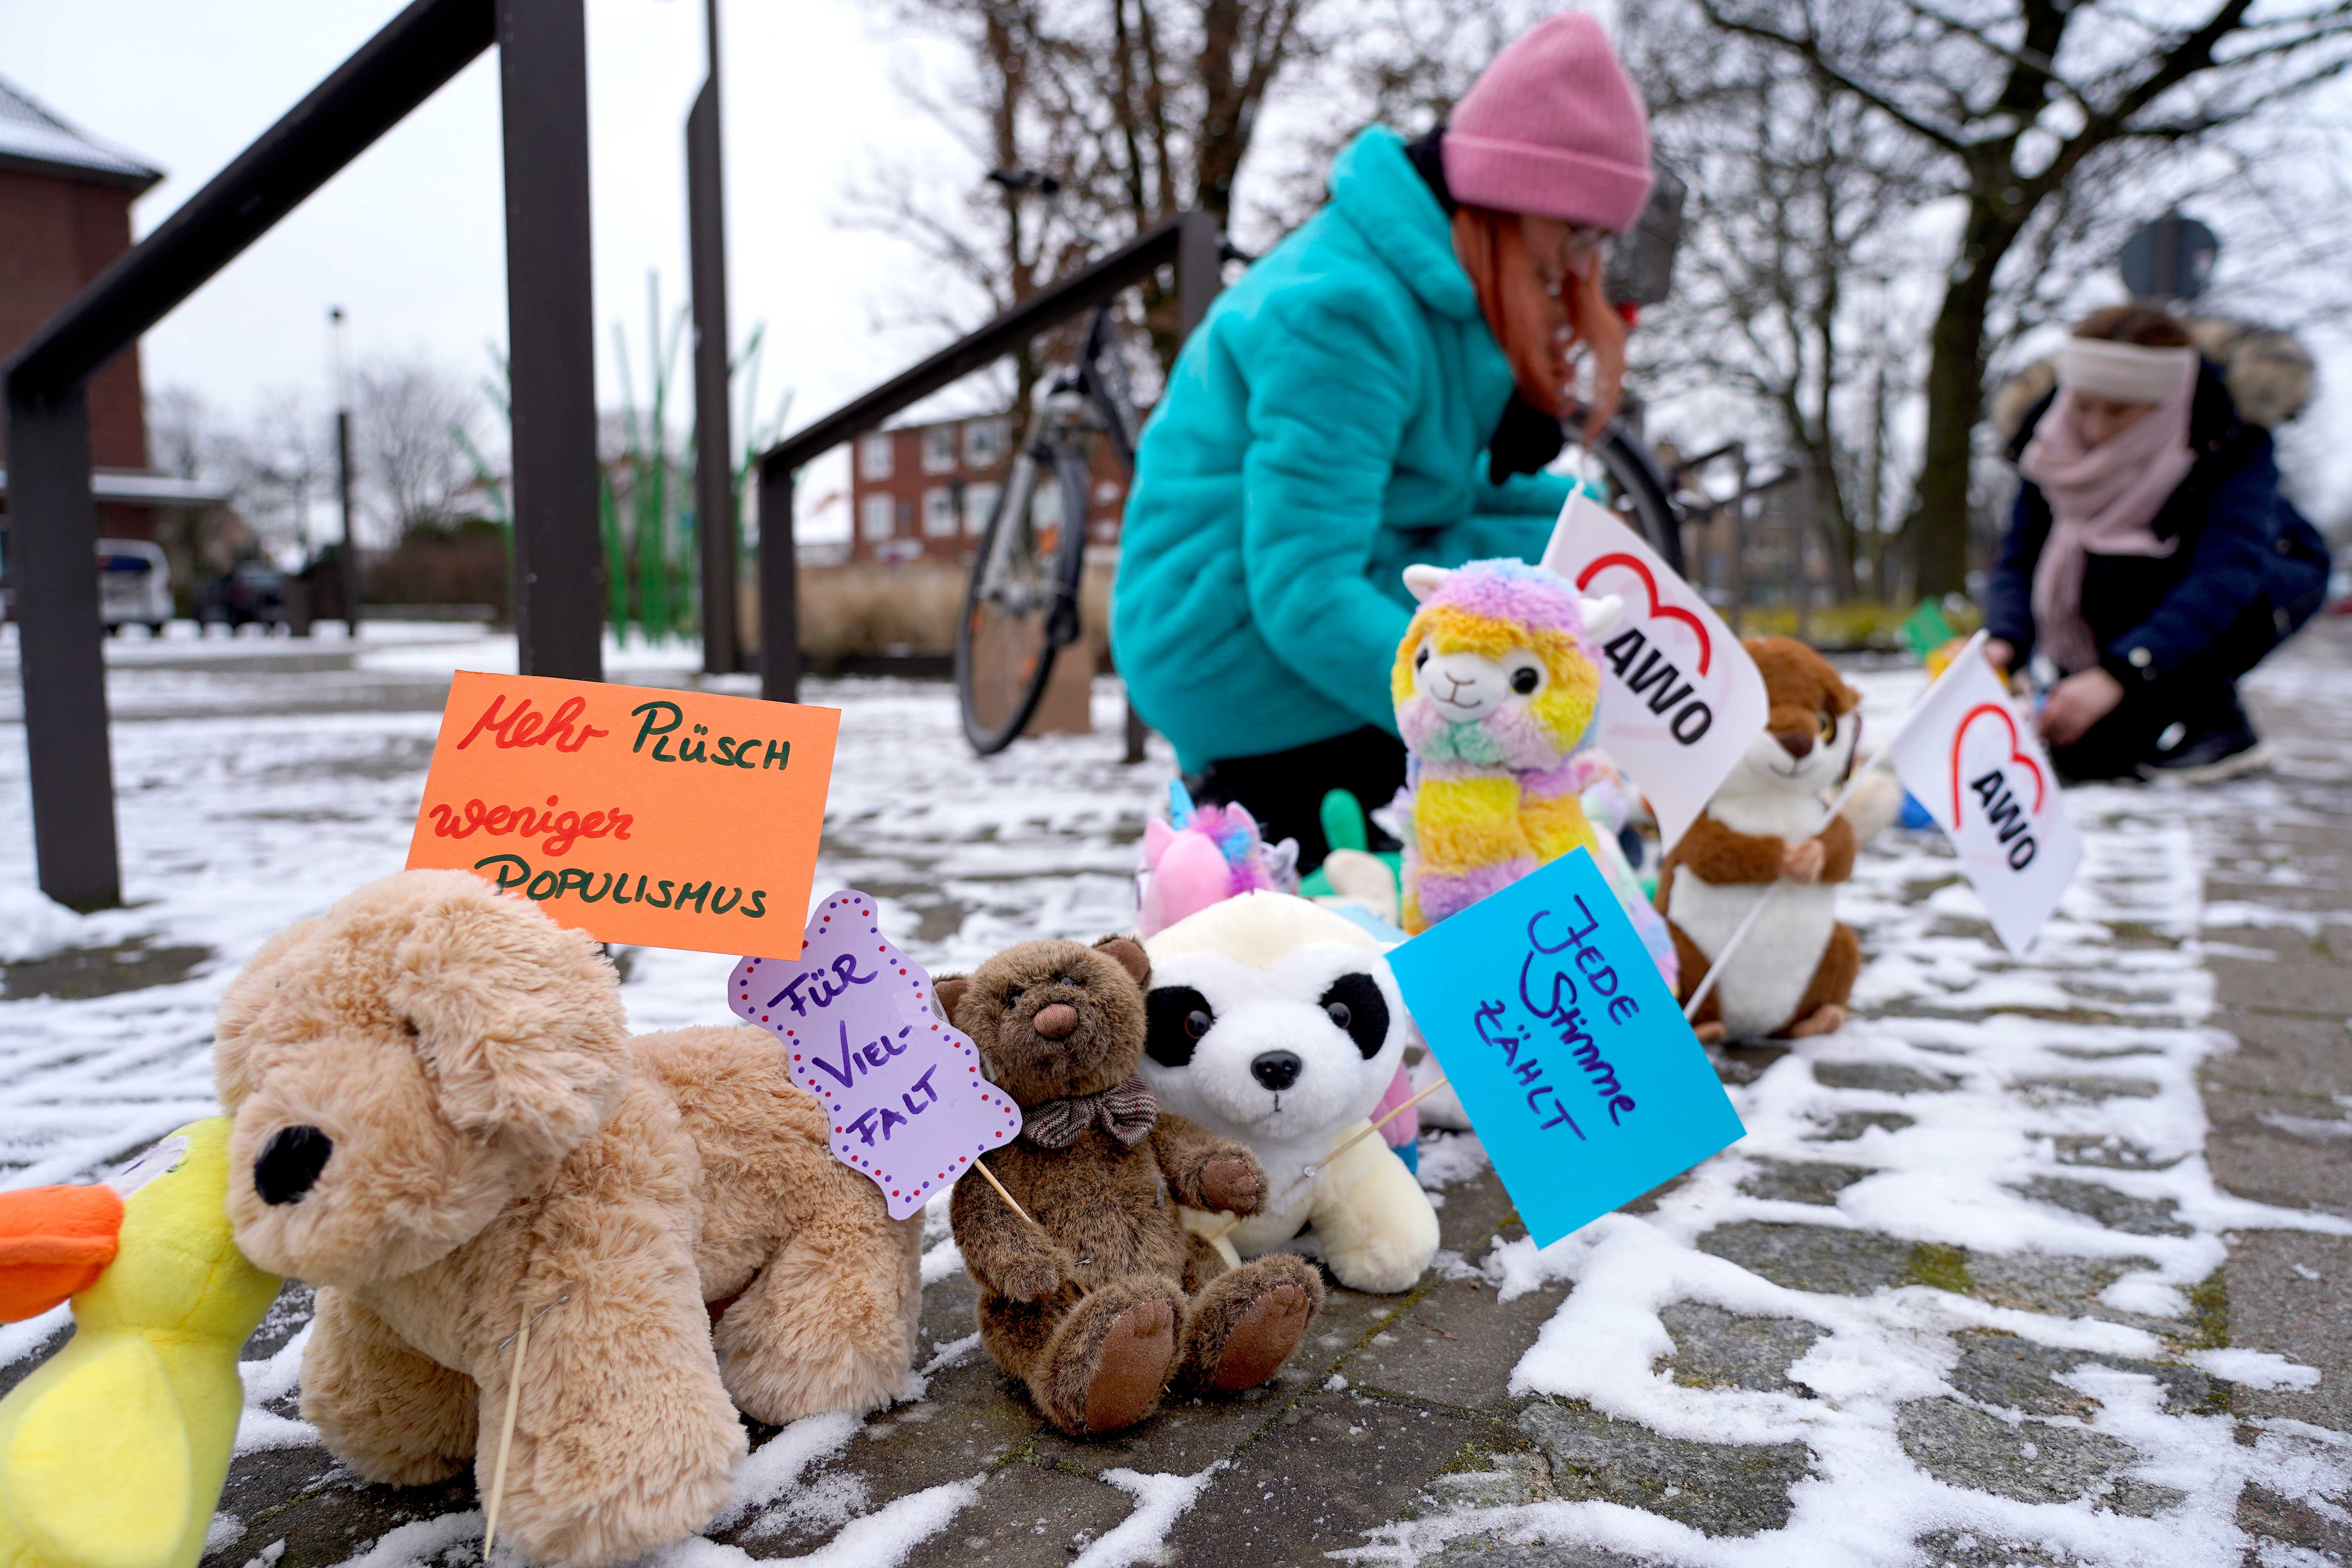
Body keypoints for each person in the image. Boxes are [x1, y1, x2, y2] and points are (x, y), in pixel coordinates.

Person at [1111, 12, 1651, 868]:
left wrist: (1586, 525)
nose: (1576, 268)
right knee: (1513, 796)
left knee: (1539, 560)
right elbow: (1303, 586)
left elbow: (1427, 488)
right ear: (1507, 205)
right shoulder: (1344, 313)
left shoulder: (1431, 295)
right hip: (1233, 649)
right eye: (1572, 233)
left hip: (1291, 604)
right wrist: (1481, 725)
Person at [1984, 305, 2330, 784]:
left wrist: (2118, 674)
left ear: (2166, 400)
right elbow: (2020, 555)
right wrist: (2006, 638)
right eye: (2084, 405)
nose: (2096, 428)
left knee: (2135, 572)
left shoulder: (2225, 433)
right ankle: (2148, 708)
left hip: (2267, 578)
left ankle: (2221, 724)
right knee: (2083, 754)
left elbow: (2226, 573)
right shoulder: (2046, 442)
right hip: (2130, 593)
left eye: (2120, 410)